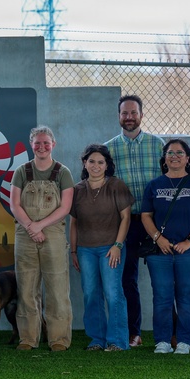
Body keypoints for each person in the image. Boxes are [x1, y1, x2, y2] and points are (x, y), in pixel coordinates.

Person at [105, 94, 164, 347]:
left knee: (161, 279)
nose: (129, 117)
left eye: (133, 112)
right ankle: (134, 333)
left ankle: (168, 334)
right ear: (118, 116)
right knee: (127, 279)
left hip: (155, 221)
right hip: (124, 223)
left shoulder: (158, 145)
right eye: (124, 113)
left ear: (141, 114)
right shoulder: (108, 150)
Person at [141, 140, 190, 355]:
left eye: (180, 153)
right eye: (170, 153)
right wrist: (158, 238)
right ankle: (162, 340)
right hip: (159, 251)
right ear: (165, 158)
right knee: (162, 296)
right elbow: (146, 215)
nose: (175, 156)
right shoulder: (154, 185)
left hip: (189, 251)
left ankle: (184, 342)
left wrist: (189, 242)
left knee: (186, 295)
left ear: (188, 158)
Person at [10, 126, 74, 351]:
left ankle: (58, 339)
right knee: (26, 287)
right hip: (25, 234)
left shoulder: (63, 172)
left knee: (57, 287)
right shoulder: (22, 171)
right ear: (31, 144)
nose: (42, 147)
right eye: (37, 143)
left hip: (53, 233)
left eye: (46, 143)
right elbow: (14, 204)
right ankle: (28, 338)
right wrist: (30, 227)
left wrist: (40, 226)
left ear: (53, 144)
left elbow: (65, 207)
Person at [69, 144, 133, 351]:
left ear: (107, 165)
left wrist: (117, 245)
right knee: (90, 293)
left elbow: (126, 218)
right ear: (84, 164)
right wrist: (73, 250)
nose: (96, 166)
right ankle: (97, 339)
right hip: (85, 250)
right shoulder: (77, 190)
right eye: (91, 161)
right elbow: (73, 223)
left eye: (100, 162)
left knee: (113, 293)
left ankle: (117, 341)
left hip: (110, 248)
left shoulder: (116, 186)